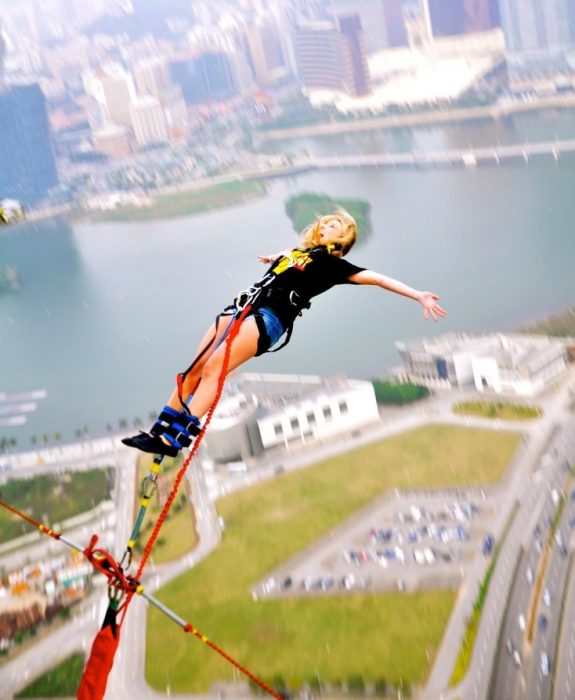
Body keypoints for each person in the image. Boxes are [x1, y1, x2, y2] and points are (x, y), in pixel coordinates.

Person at [122, 209, 447, 457]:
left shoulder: (335, 267)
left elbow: (377, 278)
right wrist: (277, 257)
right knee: (192, 370)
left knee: (213, 369)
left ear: (343, 242)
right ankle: (156, 433)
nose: (326, 225)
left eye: (336, 226)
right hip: (240, 308)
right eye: (327, 222)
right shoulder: (296, 253)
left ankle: (173, 440)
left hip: (269, 318)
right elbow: (289, 264)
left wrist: (417, 294)